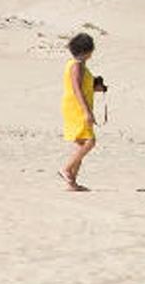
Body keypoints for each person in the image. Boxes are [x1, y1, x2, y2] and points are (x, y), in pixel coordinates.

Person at [58, 33, 105, 191]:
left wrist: (96, 87)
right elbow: (77, 89)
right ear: (87, 50)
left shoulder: (77, 64)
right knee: (89, 142)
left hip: (76, 105)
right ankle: (65, 169)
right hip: (76, 107)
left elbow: (82, 86)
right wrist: (87, 112)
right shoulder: (77, 65)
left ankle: (72, 183)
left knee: (81, 145)